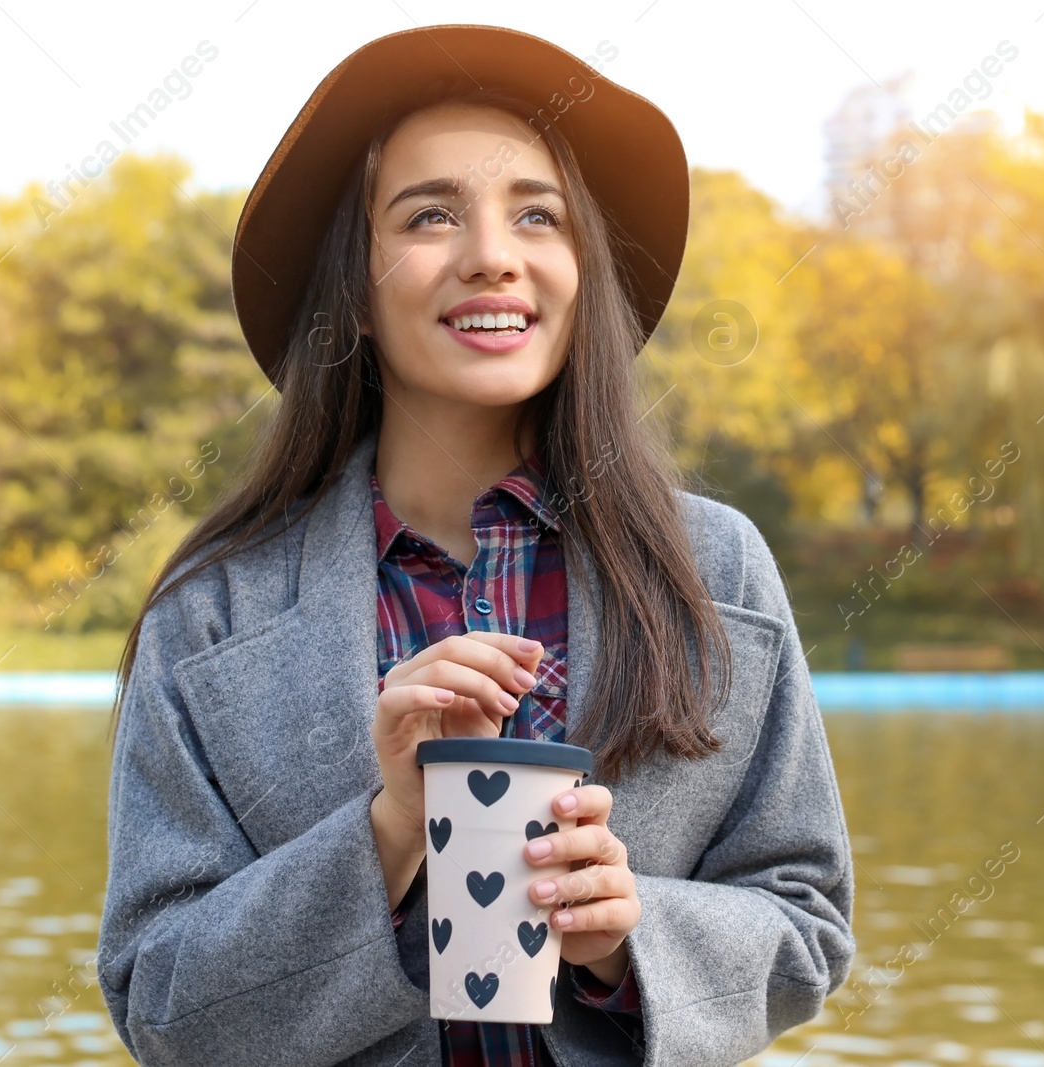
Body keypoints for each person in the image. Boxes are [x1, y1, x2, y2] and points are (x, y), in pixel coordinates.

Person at [96, 23, 855, 1067]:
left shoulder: (714, 569)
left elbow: (806, 922)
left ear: (580, 268)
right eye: (430, 213)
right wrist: (389, 830)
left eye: (535, 214)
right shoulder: (212, 614)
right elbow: (164, 1008)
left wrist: (623, 942)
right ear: (354, 284)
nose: (491, 253)